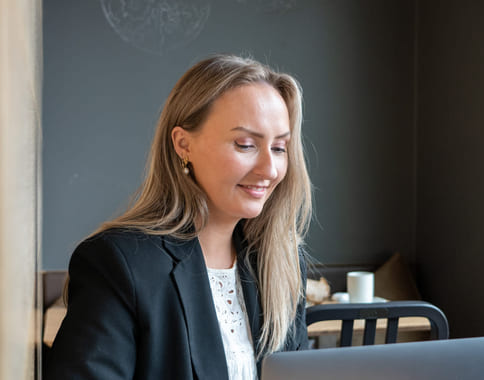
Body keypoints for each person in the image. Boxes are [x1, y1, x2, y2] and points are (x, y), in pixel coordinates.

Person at [46, 54, 312, 380]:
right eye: (245, 144)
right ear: (183, 144)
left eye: (279, 148)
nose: (269, 170)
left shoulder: (281, 261)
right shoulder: (119, 264)